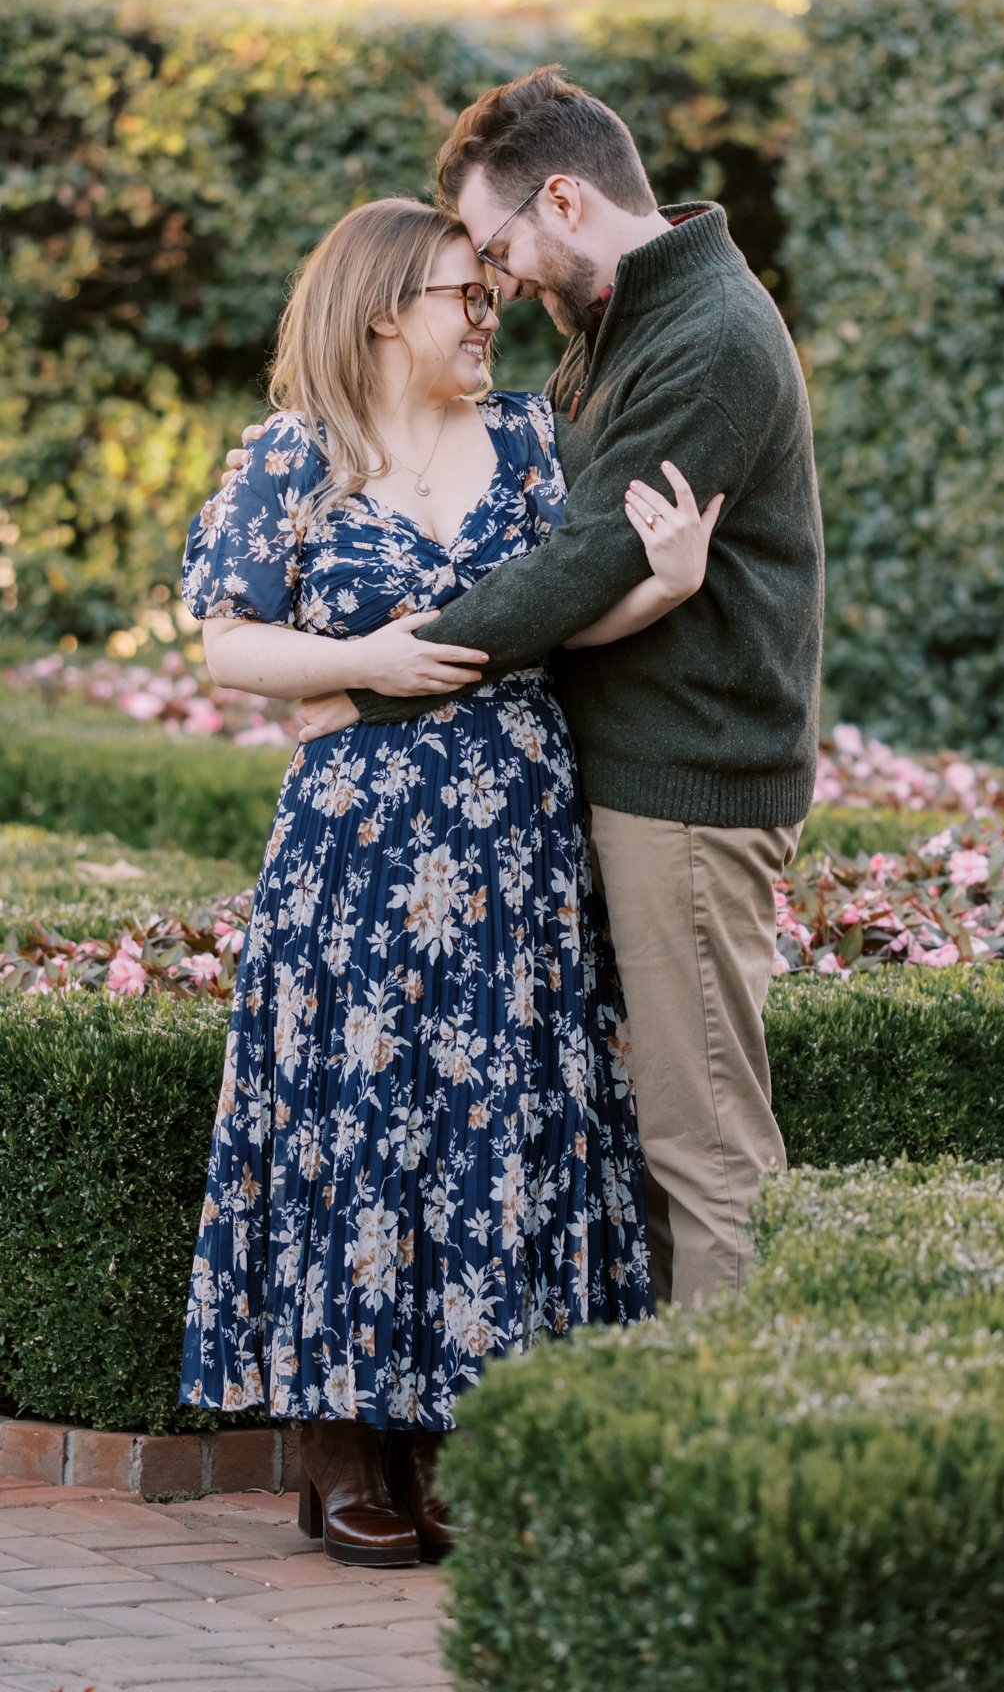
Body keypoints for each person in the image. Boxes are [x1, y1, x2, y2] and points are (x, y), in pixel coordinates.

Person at [180, 195, 720, 1567]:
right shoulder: (292, 459)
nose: (489, 314)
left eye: (491, 295)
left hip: (514, 842)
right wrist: (367, 663)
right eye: (461, 297)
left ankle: (473, 1432)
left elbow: (563, 612)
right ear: (379, 312)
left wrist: (660, 592)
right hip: (356, 849)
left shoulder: (539, 439)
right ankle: (353, 1444)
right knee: (361, 1126)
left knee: (505, 1123)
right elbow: (229, 646)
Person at [287, 68, 825, 1314]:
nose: (497, 282)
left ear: (567, 199)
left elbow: (581, 559)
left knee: (705, 1150)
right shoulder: (627, 319)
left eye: (498, 243)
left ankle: (724, 1463)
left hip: (684, 785)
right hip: (624, 768)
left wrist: (369, 686)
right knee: (638, 1136)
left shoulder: (711, 342)